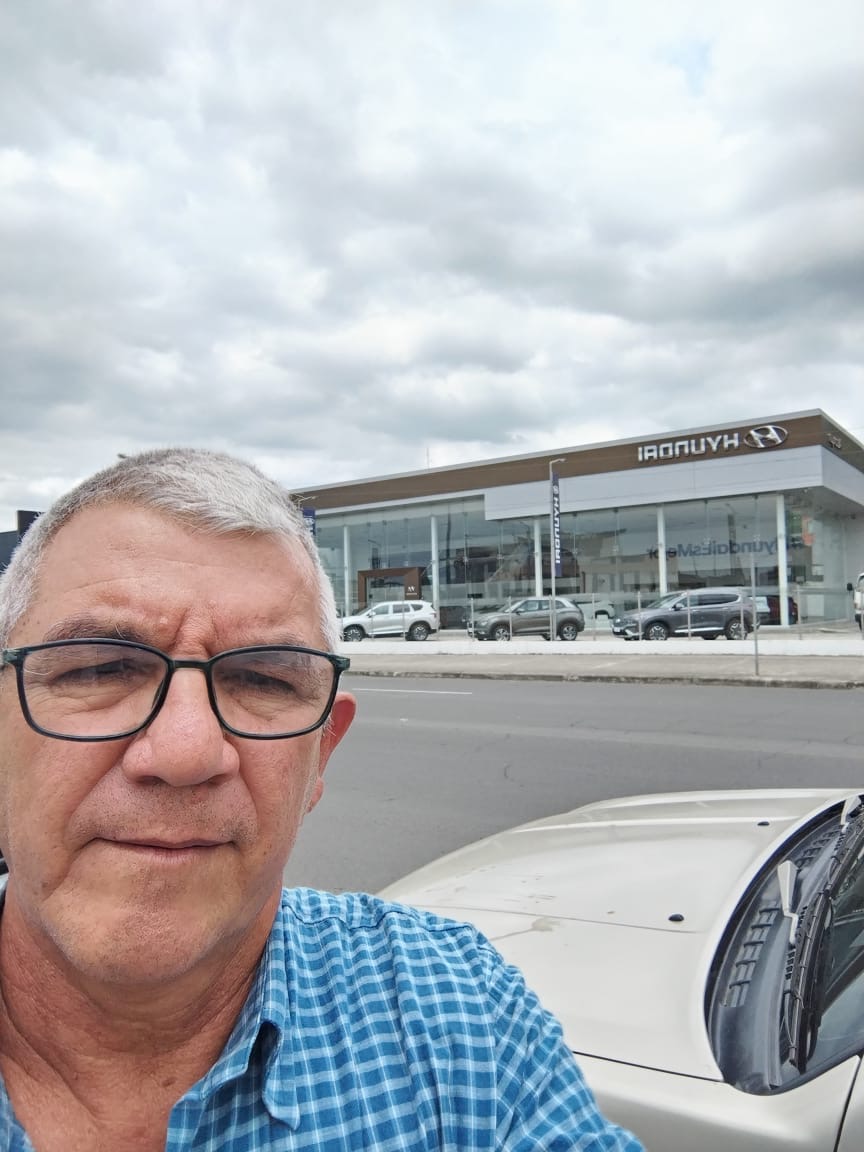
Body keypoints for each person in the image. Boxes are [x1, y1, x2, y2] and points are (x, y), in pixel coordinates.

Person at [0, 448, 642, 1151]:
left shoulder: (463, 1022)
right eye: (99, 668)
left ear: (321, 756)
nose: (186, 752)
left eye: (265, 681)